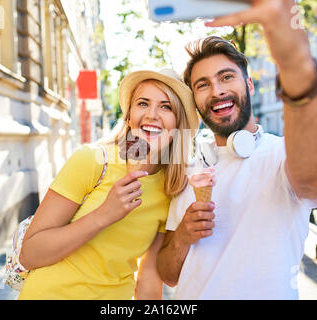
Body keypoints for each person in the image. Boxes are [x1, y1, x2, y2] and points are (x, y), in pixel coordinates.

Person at [156, 0, 317, 299]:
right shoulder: (188, 169)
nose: (217, 91)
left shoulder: (282, 155)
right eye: (203, 85)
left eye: (226, 77)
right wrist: (182, 239)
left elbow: (312, 178)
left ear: (249, 85)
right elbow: (168, 274)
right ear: (195, 99)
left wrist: (294, 62)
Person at [17, 69, 199, 300]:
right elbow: (30, 253)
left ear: (177, 126)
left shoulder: (171, 188)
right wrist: (104, 214)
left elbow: (149, 279)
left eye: (166, 107)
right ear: (129, 116)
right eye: (143, 103)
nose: (152, 115)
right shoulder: (92, 161)